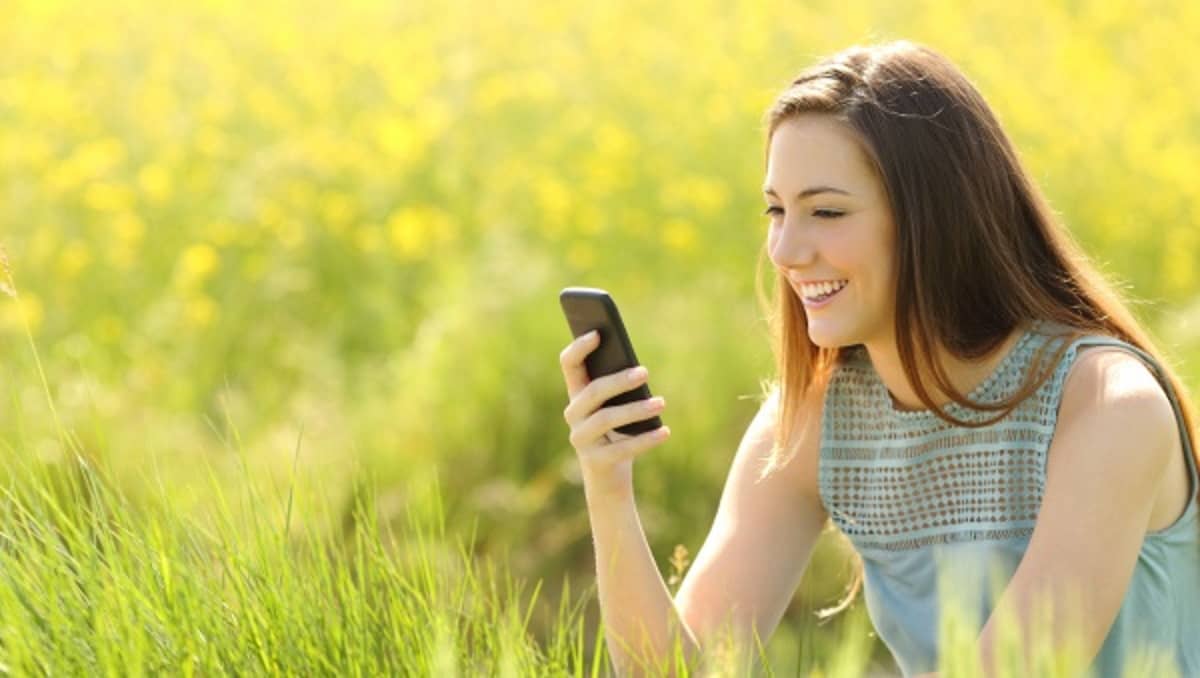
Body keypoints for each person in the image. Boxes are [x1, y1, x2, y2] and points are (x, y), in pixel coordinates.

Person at [558, 40, 1199, 678]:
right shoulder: (815, 416)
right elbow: (679, 674)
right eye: (777, 211)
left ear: (933, 219)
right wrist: (608, 487)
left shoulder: (1109, 406)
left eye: (826, 211)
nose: (784, 249)